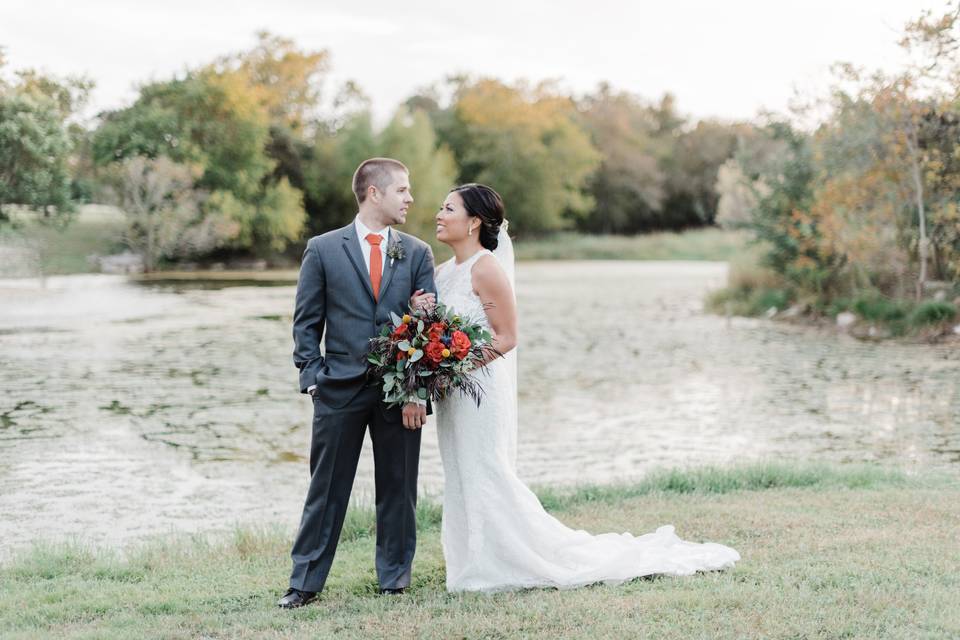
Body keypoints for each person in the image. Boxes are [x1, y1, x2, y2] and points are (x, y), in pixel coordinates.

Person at [413, 183, 740, 592]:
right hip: (453, 397)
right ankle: (472, 560)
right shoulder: (445, 272)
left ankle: (506, 559)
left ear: (474, 221)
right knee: (460, 470)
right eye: (440, 207)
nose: (438, 215)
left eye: (448, 209)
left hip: (480, 392)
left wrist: (454, 367)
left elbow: (506, 337)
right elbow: (437, 332)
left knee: (486, 470)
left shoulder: (486, 268)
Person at [278, 158, 436, 608]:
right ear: (374, 193)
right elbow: (306, 322)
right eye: (402, 190)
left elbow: (431, 332)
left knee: (399, 487)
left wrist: (416, 393)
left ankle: (395, 579)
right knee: (325, 490)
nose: (409, 198)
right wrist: (312, 379)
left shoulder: (418, 252)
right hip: (337, 390)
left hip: (399, 393)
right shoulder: (323, 249)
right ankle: (304, 584)